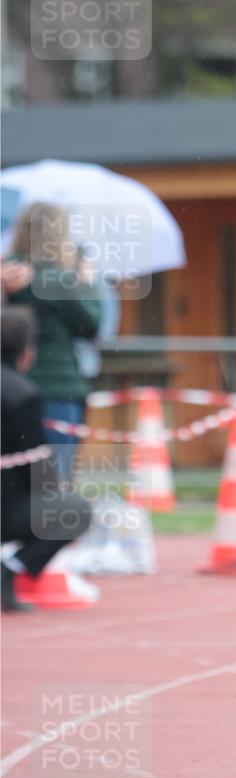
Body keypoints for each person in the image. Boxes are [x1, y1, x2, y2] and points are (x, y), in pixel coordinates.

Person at [1, 307, 92, 612]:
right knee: (75, 511)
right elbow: (36, 466)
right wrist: (56, 494)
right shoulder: (21, 394)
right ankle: (10, 570)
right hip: (6, 504)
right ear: (26, 351)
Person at [6, 203, 101, 481]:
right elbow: (91, 325)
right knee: (55, 479)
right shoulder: (60, 279)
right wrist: (85, 282)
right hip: (59, 387)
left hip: (11, 387)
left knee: (15, 472)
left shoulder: (7, 271)